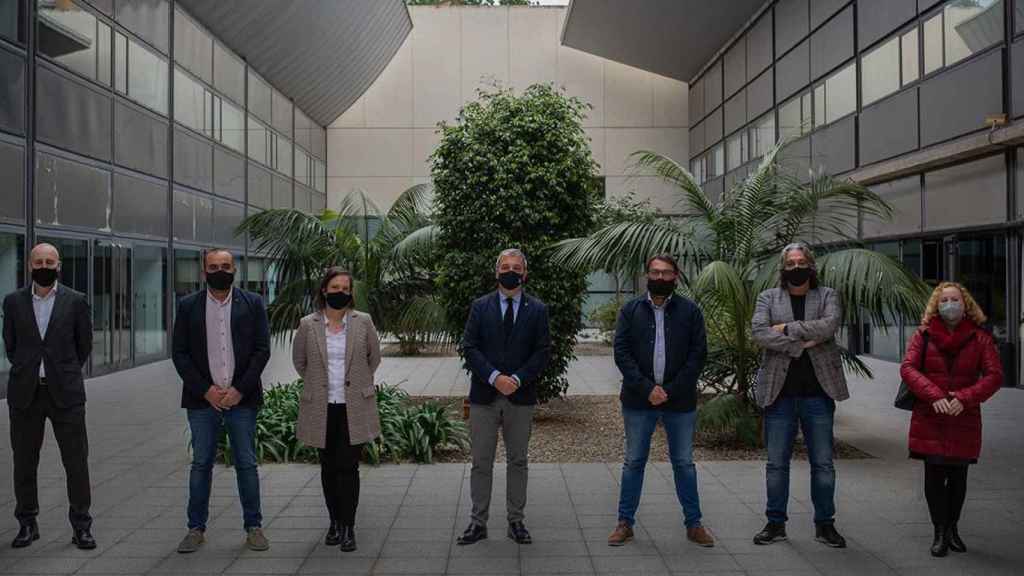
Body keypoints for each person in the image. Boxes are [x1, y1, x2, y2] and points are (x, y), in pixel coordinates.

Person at [606, 254, 713, 548]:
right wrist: (647, 389)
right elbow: (622, 353)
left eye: (666, 273)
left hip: (680, 401)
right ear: (646, 275)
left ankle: (694, 524)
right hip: (639, 400)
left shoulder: (690, 311)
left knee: (684, 463)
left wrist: (672, 390)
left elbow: (697, 354)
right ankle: (624, 523)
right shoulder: (630, 310)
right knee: (634, 462)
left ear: (675, 276)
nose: (661, 278)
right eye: (655, 272)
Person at [172, 248, 271, 553]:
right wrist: (206, 390)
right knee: (201, 464)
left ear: (234, 270)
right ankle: (195, 528)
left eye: (225, 266)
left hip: (242, 399)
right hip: (203, 402)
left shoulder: (253, 304)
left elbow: (261, 350)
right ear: (204, 272)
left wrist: (239, 390)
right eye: (213, 266)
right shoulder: (188, 306)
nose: (220, 271)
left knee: (246, 463)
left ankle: (254, 526)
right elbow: (180, 353)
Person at [750, 242, 847, 548]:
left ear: (811, 265)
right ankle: (775, 524)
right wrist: (800, 343)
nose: (796, 268)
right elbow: (759, 332)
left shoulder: (827, 295)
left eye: (800, 262)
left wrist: (786, 328)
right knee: (776, 464)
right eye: (790, 264)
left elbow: (829, 326)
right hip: (779, 395)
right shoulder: (768, 297)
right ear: (783, 268)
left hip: (819, 394)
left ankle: (825, 525)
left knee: (823, 464)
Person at [3, 243, 95, 549]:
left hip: (65, 394)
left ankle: (81, 526)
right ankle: (27, 523)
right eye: (39, 261)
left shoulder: (76, 301)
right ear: (30, 266)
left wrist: (63, 371)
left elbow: (83, 345)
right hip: (25, 394)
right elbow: (11, 345)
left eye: (50, 261)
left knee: (76, 461)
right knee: (24, 462)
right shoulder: (13, 302)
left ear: (59, 266)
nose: (44, 266)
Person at [899, 282, 1001, 557]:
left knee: (958, 476)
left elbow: (994, 375)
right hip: (930, 415)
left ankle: (953, 528)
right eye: (944, 300)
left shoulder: (981, 337)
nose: (949, 304)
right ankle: (939, 531)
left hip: (962, 416)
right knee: (934, 476)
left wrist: (964, 398)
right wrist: (934, 396)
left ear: (965, 303)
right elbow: (908, 368)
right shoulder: (923, 334)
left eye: (954, 299)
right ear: (936, 304)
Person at [457, 248, 551, 546]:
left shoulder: (538, 309)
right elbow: (469, 347)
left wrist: (518, 379)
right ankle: (477, 523)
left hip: (520, 397)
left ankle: (516, 521)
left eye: (516, 267)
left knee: (518, 461)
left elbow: (543, 351)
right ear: (496, 273)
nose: (511, 272)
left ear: (525, 273)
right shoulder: (479, 306)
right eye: (505, 267)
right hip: (485, 396)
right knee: (481, 461)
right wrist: (496, 377)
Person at [293, 268, 382, 552]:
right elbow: (300, 362)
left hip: (353, 406)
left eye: (346, 287)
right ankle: (333, 521)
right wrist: (319, 385)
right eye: (335, 286)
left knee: (348, 467)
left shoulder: (363, 322)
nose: (341, 291)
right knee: (328, 467)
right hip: (320, 407)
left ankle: (348, 526)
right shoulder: (308, 324)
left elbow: (373, 358)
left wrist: (355, 383)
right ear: (324, 290)